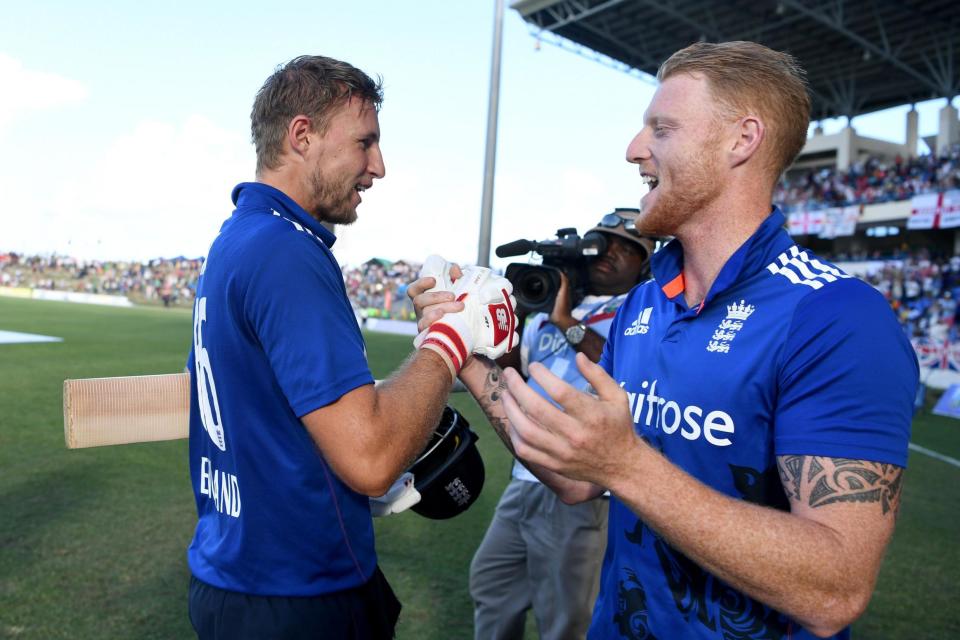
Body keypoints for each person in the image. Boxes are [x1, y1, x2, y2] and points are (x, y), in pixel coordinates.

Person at [412, 41, 918, 639]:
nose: (634, 149)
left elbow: (837, 587)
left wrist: (627, 467)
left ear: (743, 139)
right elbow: (579, 476)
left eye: (662, 127)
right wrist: (467, 348)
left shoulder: (836, 318)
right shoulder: (646, 303)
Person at [184, 55, 515, 640]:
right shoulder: (287, 252)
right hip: (298, 593)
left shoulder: (239, 236)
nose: (379, 167)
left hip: (239, 575)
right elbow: (369, 458)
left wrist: (427, 347)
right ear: (302, 136)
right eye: (366, 143)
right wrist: (449, 338)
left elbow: (301, 412)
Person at [468, 211, 655, 640]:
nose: (611, 254)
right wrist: (510, 324)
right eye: (603, 243)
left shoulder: (639, 309)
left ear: (644, 264)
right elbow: (513, 372)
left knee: (565, 618)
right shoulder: (548, 307)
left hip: (581, 486)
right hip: (526, 476)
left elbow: (620, 366)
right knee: (491, 584)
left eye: (627, 249)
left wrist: (567, 322)